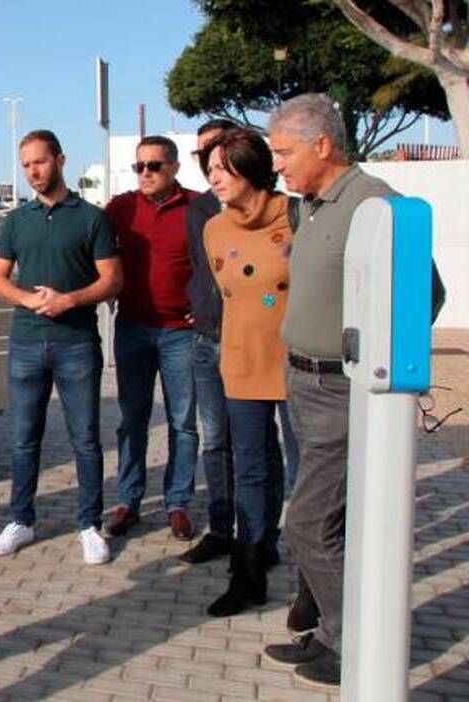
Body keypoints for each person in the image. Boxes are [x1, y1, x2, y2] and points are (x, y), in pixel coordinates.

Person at [260, 93, 445, 688]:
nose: (277, 166)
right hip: (302, 382)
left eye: (284, 152)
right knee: (329, 518)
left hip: (341, 389)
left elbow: (427, 293)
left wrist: (365, 353)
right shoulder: (310, 206)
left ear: (322, 145)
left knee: (309, 522)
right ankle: (329, 630)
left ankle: (354, 643)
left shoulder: (376, 205)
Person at [0, 130, 123, 564]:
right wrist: (27, 299)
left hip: (76, 344)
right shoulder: (17, 220)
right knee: (24, 439)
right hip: (25, 343)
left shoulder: (91, 218)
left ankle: (89, 524)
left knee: (85, 439)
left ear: (60, 160)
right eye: (26, 164)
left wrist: (69, 300)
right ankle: (21, 521)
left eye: (40, 162)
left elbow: (112, 280)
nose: (33, 172)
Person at [200, 128, 294, 617]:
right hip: (240, 363)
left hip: (300, 366)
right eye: (210, 169)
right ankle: (249, 570)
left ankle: (315, 573)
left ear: (249, 166)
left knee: (307, 471)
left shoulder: (298, 215)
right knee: (250, 469)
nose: (213, 177)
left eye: (222, 167)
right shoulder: (214, 229)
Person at [104, 135, 200, 542]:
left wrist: (208, 304)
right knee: (133, 420)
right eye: (139, 166)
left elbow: (216, 261)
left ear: (174, 168)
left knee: (182, 422)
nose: (145, 173)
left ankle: (177, 502)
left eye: (154, 166)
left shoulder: (198, 208)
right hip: (133, 330)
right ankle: (129, 500)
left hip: (182, 333)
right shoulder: (120, 209)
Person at [180, 118, 238, 564]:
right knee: (214, 439)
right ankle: (221, 530)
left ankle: (262, 538)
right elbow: (201, 269)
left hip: (254, 343)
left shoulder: (276, 208)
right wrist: (196, 302)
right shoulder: (199, 209)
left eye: (216, 149)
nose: (209, 161)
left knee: (259, 446)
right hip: (206, 338)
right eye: (202, 154)